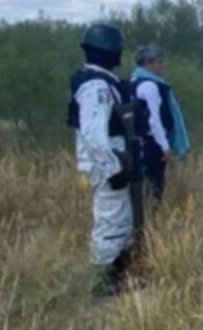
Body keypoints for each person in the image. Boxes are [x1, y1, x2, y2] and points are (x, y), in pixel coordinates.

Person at [66, 23, 136, 297]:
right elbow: (95, 136)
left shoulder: (97, 80)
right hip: (105, 166)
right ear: (108, 50)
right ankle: (101, 281)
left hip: (108, 162)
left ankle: (115, 275)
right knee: (109, 221)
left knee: (119, 219)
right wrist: (112, 169)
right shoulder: (96, 86)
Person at [131, 45, 190, 202]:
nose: (163, 65)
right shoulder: (150, 86)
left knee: (143, 184)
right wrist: (164, 146)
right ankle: (151, 219)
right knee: (155, 184)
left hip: (136, 142)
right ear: (149, 63)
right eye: (160, 61)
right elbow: (154, 120)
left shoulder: (132, 83)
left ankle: (143, 217)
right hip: (152, 143)